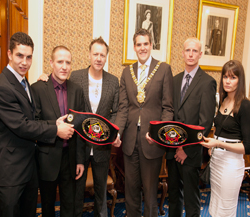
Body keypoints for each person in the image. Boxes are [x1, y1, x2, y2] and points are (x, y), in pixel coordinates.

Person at [0, 32, 74, 217]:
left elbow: (33, 119)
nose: (24, 62)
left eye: (28, 57)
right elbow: (22, 125)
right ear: (10, 54)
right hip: (11, 170)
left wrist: (54, 123)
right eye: (20, 56)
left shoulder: (23, 81)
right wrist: (55, 129)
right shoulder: (1, 87)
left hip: (29, 166)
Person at [38, 36, 119, 217]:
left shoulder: (113, 81)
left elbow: (116, 111)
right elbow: (56, 88)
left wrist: (113, 132)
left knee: (101, 191)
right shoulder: (76, 77)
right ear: (89, 55)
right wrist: (43, 77)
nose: (98, 58)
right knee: (75, 194)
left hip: (101, 147)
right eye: (95, 54)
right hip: (78, 147)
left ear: (106, 57)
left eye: (102, 55)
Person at [113, 28, 174, 217]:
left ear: (151, 45)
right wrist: (117, 132)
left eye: (145, 44)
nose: (142, 48)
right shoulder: (126, 72)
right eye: (138, 44)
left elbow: (168, 108)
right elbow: (123, 108)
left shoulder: (164, 69)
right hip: (130, 140)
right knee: (130, 190)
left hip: (151, 141)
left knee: (149, 191)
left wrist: (158, 134)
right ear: (134, 47)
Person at [31, 46, 86, 217]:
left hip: (70, 158)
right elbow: (33, 123)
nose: (64, 66)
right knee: (47, 205)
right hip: (47, 157)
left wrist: (80, 160)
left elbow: (81, 129)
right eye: (60, 62)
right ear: (51, 63)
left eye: (67, 62)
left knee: (68, 204)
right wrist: (55, 130)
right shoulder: (38, 89)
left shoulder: (77, 90)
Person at [165, 37, 217, 217]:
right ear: (182, 53)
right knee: (173, 197)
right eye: (188, 50)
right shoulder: (175, 80)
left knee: (191, 200)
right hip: (172, 151)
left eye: (195, 51)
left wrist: (186, 149)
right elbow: (170, 114)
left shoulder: (207, 83)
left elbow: (205, 123)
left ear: (200, 54)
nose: (191, 54)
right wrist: (174, 146)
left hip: (191, 153)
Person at [201, 60, 250, 217]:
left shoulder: (245, 105)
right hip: (216, 161)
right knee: (215, 206)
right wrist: (213, 147)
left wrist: (219, 143)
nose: (228, 81)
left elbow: (247, 147)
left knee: (226, 209)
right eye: (225, 77)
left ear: (240, 80)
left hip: (231, 165)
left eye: (233, 77)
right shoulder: (223, 100)